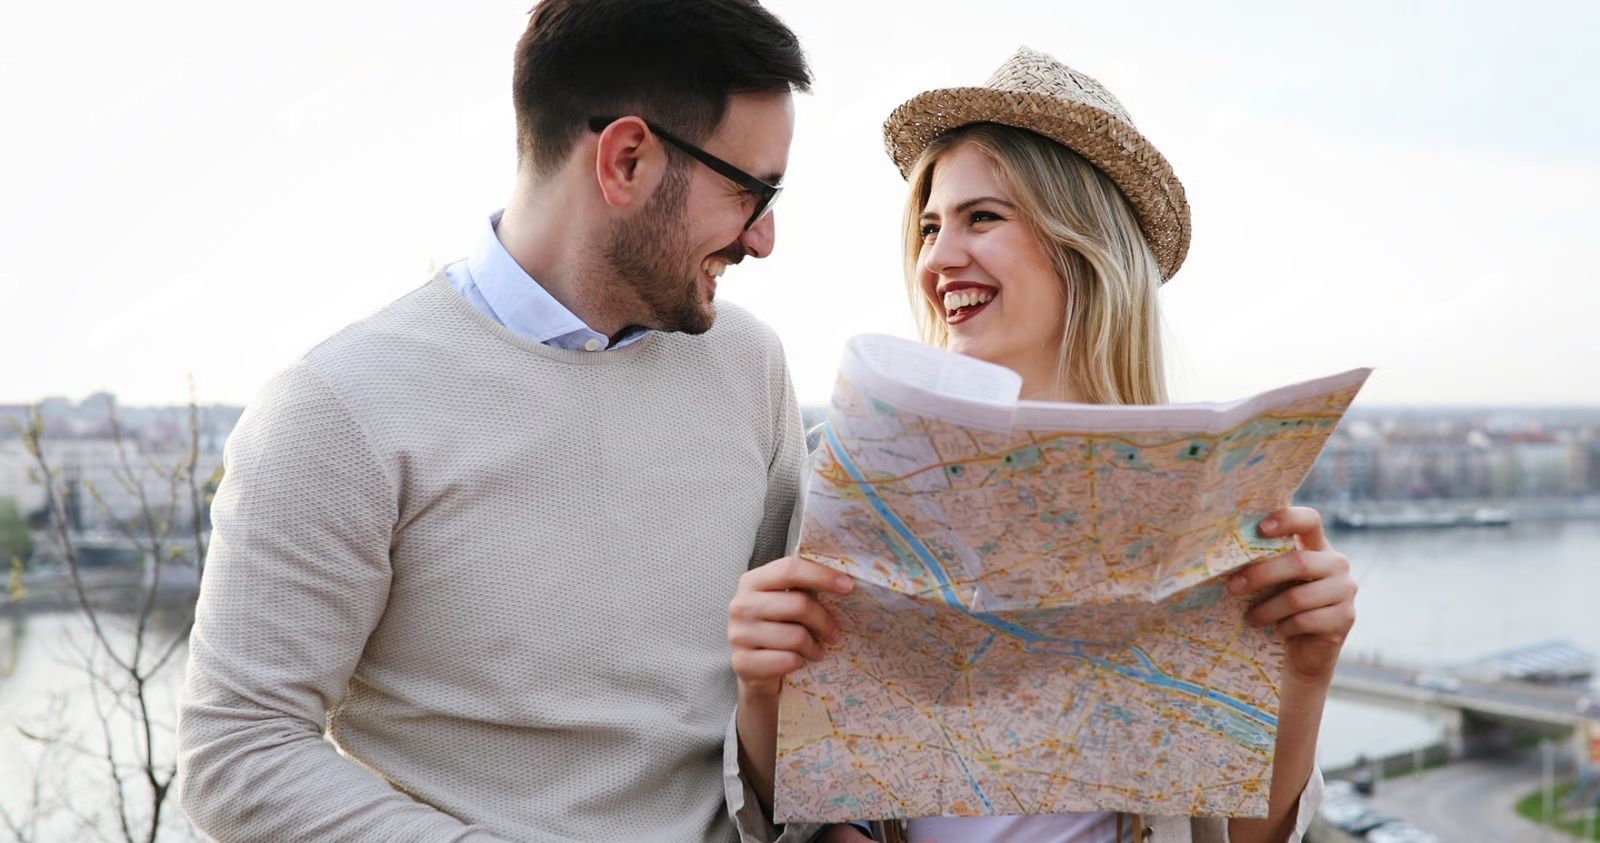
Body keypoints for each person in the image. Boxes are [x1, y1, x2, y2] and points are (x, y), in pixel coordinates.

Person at [176, 2, 817, 840]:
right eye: (749, 190)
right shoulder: (339, 409)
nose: (764, 237)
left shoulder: (749, 366)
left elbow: (795, 685)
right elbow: (238, 748)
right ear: (626, 160)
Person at [727, 47, 1356, 843]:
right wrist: (760, 691)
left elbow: (1239, 836)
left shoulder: (1199, 499)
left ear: (1081, 242)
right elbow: (808, 813)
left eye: (981, 217)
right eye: (929, 226)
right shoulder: (851, 471)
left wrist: (1304, 672)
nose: (937, 259)